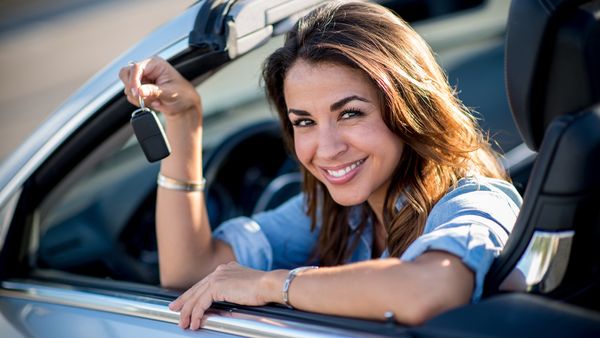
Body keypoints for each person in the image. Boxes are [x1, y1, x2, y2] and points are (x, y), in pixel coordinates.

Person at [119, 1, 522, 330]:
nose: (325, 150)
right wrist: (185, 122)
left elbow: (431, 290)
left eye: (349, 114)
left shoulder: (476, 198)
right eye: (304, 122)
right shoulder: (339, 213)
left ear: (408, 110)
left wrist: (272, 285)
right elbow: (189, 274)